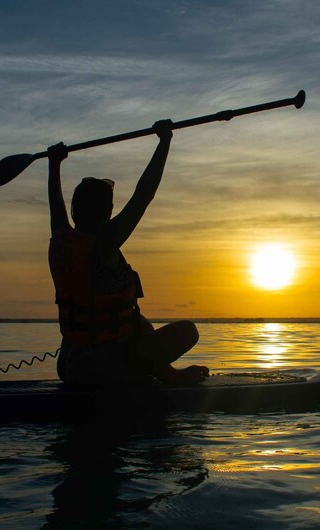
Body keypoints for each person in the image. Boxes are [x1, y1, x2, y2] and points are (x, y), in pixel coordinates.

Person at [46, 119, 208, 387]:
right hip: (105, 368)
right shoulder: (106, 243)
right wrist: (164, 141)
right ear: (107, 211)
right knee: (187, 331)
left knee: (136, 320)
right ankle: (162, 376)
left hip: (70, 365)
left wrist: (54, 164)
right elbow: (144, 195)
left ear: (76, 209)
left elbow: (54, 202)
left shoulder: (62, 238)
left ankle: (166, 373)